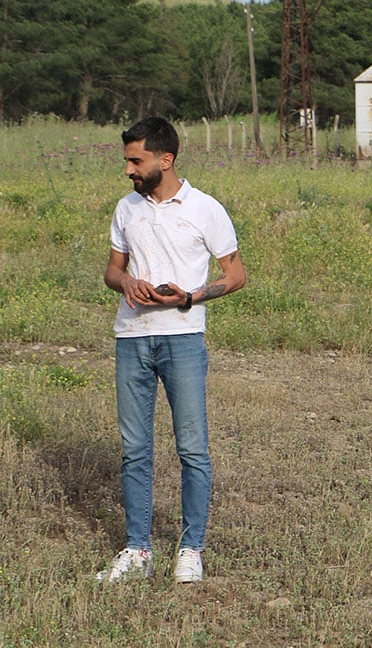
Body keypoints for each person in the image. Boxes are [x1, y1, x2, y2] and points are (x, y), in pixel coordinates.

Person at [96, 117, 246, 584]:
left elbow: (236, 275)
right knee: (135, 450)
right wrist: (127, 282)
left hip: (182, 339)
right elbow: (111, 271)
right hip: (131, 338)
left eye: (136, 160)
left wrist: (188, 297)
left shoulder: (205, 209)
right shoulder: (126, 209)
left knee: (193, 449)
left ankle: (191, 549)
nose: (128, 170)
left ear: (166, 159)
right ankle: (138, 550)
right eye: (127, 161)